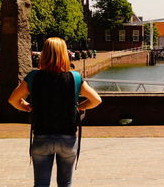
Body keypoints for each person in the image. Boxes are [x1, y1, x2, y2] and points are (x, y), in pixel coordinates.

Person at [8, 37, 102, 187]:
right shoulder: (75, 77)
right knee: (66, 184)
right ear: (64, 54)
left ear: (44, 54)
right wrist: (80, 106)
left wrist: (27, 107)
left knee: (41, 184)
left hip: (42, 137)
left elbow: (13, 100)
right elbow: (96, 100)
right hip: (68, 138)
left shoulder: (33, 77)